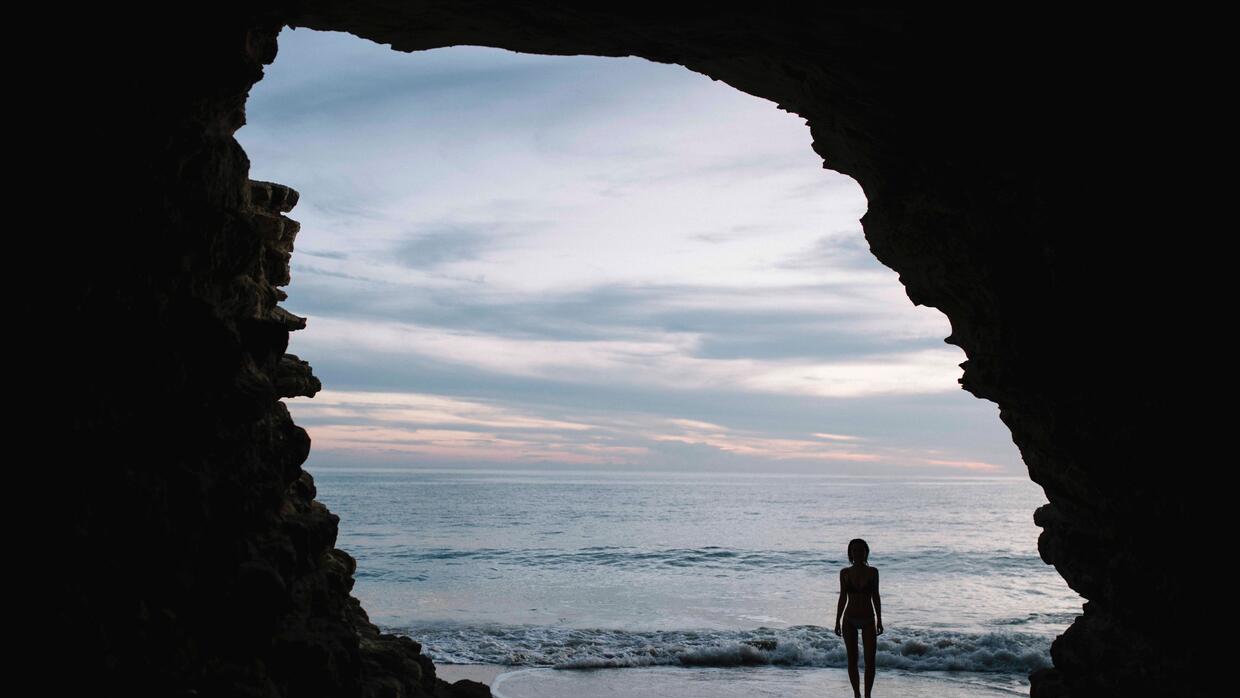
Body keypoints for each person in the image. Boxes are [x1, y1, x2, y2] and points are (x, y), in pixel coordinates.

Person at [834, 538, 883, 698]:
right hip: (849, 619)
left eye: (861, 550)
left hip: (869, 619)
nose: (858, 553)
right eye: (854, 550)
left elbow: (876, 596)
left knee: (870, 661)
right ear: (850, 553)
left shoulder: (873, 572)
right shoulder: (845, 573)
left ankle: (868, 694)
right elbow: (842, 598)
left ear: (866, 552)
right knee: (852, 660)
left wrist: (880, 620)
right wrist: (837, 621)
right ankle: (857, 694)